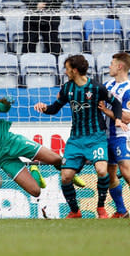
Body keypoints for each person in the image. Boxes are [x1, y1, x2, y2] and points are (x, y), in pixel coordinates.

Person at [34, 54, 127, 218]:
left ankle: (100, 208)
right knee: (66, 176)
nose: (65, 72)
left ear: (75, 70)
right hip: (76, 140)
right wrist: (44, 108)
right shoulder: (67, 88)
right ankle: (75, 211)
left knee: (102, 170)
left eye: (67, 69)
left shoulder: (97, 88)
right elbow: (55, 108)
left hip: (96, 137)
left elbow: (117, 103)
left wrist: (118, 120)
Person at [98, 52, 130, 218]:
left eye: (111, 64)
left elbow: (127, 117)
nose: (109, 67)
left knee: (126, 171)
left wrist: (106, 111)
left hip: (120, 136)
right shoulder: (107, 85)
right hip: (105, 137)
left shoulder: (128, 89)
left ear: (120, 66)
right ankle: (121, 211)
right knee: (110, 175)